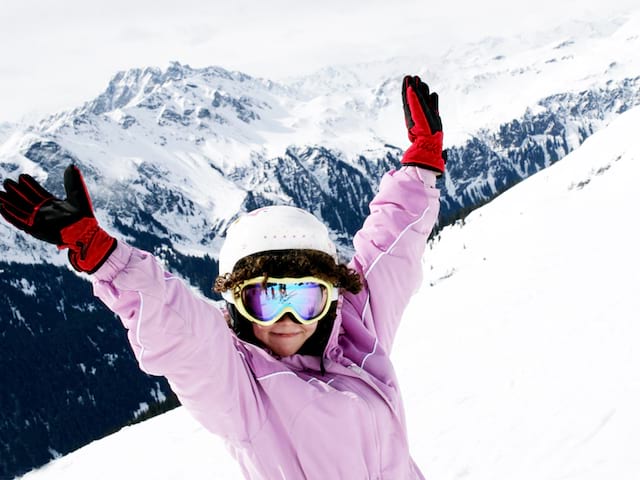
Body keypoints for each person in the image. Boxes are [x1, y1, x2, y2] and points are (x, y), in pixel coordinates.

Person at [0, 75, 445, 479]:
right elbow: (183, 334)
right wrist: (105, 257)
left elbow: (390, 247)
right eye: (266, 299)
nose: (288, 317)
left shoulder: (354, 331)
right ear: (236, 304)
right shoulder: (240, 390)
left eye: (306, 298)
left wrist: (420, 168)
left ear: (331, 296)